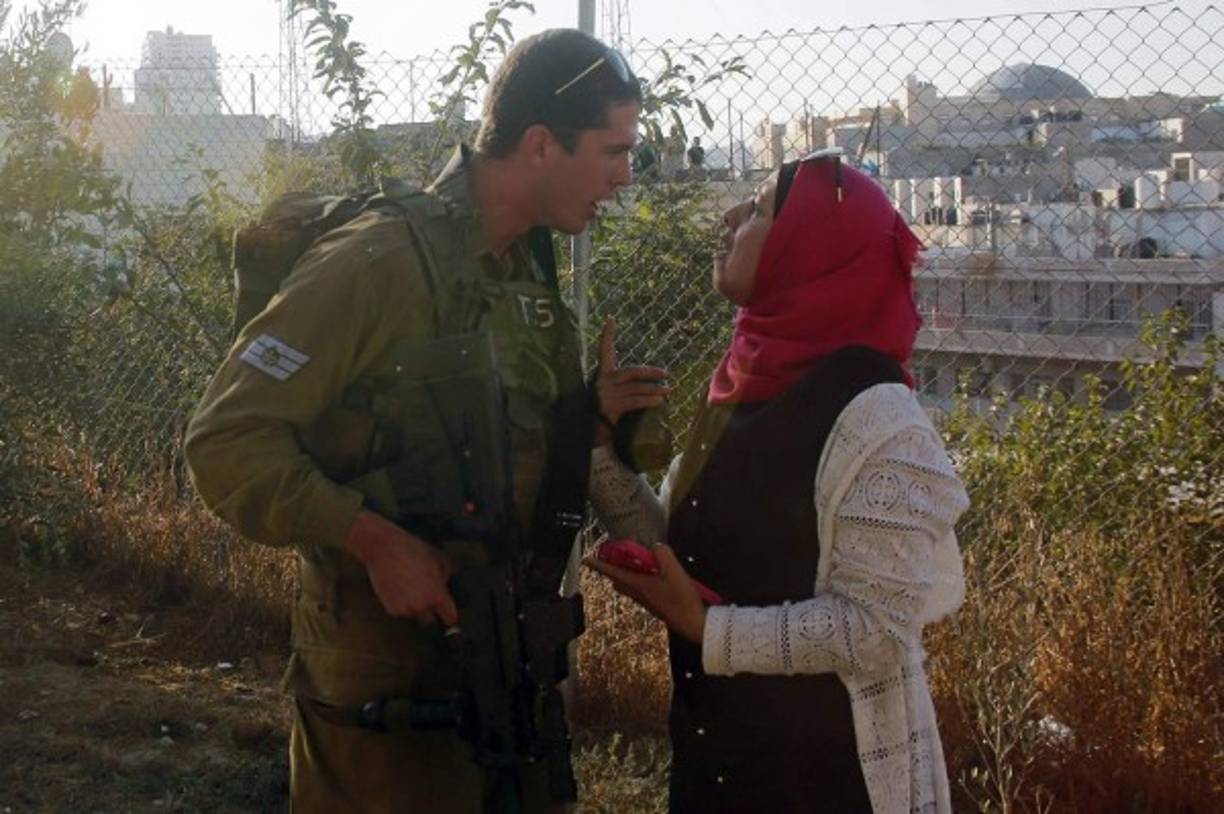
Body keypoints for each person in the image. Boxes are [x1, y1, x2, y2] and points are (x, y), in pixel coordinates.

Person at [184, 29, 659, 814]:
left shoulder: (525, 278)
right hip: (381, 698)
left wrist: (589, 426)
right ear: (541, 144)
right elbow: (224, 441)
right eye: (613, 150)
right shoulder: (379, 262)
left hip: (496, 680)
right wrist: (370, 539)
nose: (624, 175)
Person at [586, 154, 969, 813]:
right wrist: (595, 446)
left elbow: (876, 630)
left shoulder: (878, 421)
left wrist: (706, 629)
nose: (730, 218)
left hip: (828, 781)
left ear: (811, 249)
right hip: (718, 763)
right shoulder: (741, 387)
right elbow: (684, 556)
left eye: (760, 210)